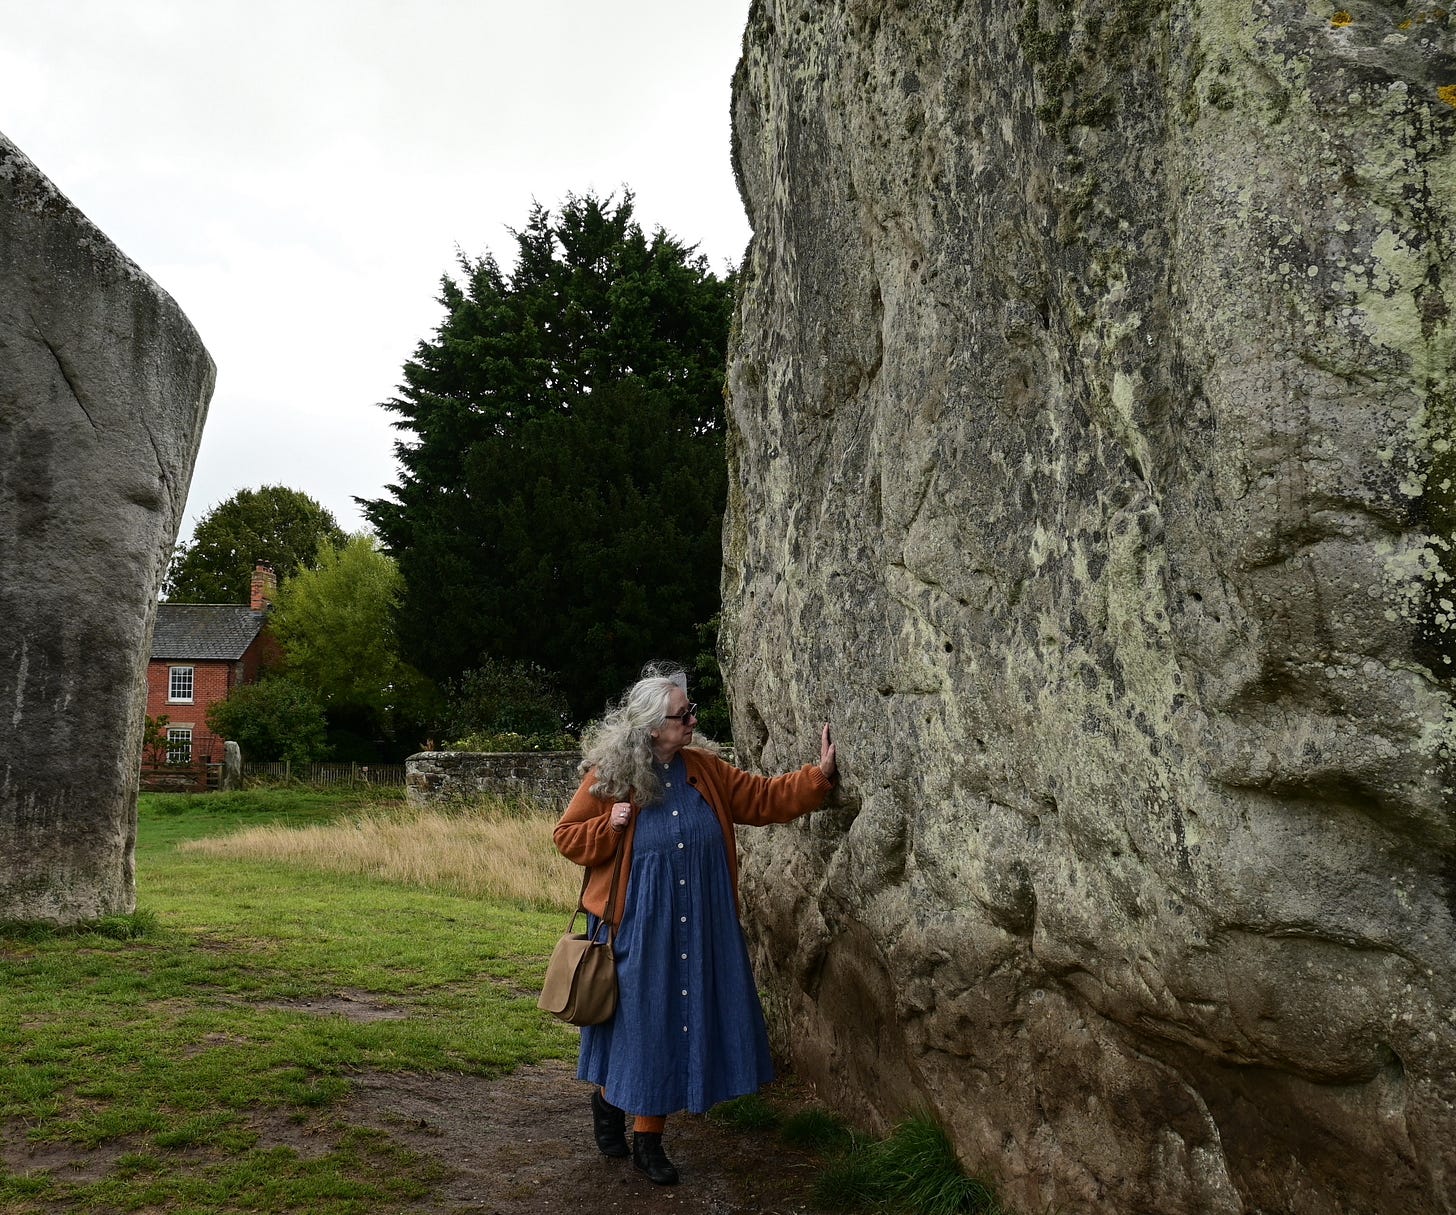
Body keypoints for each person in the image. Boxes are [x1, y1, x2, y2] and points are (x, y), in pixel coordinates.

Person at [553, 662, 837, 1186]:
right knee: (640, 1029)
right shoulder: (611, 777)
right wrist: (608, 825)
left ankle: (646, 1138)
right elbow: (567, 837)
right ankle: (617, 1108)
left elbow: (762, 797)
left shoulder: (704, 769)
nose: (691, 722)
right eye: (683, 716)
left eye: (690, 714)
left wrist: (816, 777)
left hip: (700, 926)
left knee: (667, 1027)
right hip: (635, 927)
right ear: (651, 727)